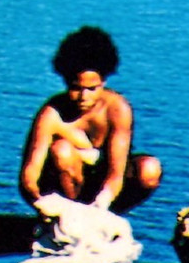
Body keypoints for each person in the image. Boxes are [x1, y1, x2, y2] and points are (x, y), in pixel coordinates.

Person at [19, 26, 162, 214]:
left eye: (92, 89)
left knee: (149, 169)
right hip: (61, 191)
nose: (83, 97)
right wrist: (40, 201)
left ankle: (103, 216)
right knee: (61, 150)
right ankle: (68, 215)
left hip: (104, 190)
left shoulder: (117, 109)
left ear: (103, 82)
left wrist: (103, 202)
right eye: (76, 88)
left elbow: (116, 173)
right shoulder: (51, 115)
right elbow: (30, 174)